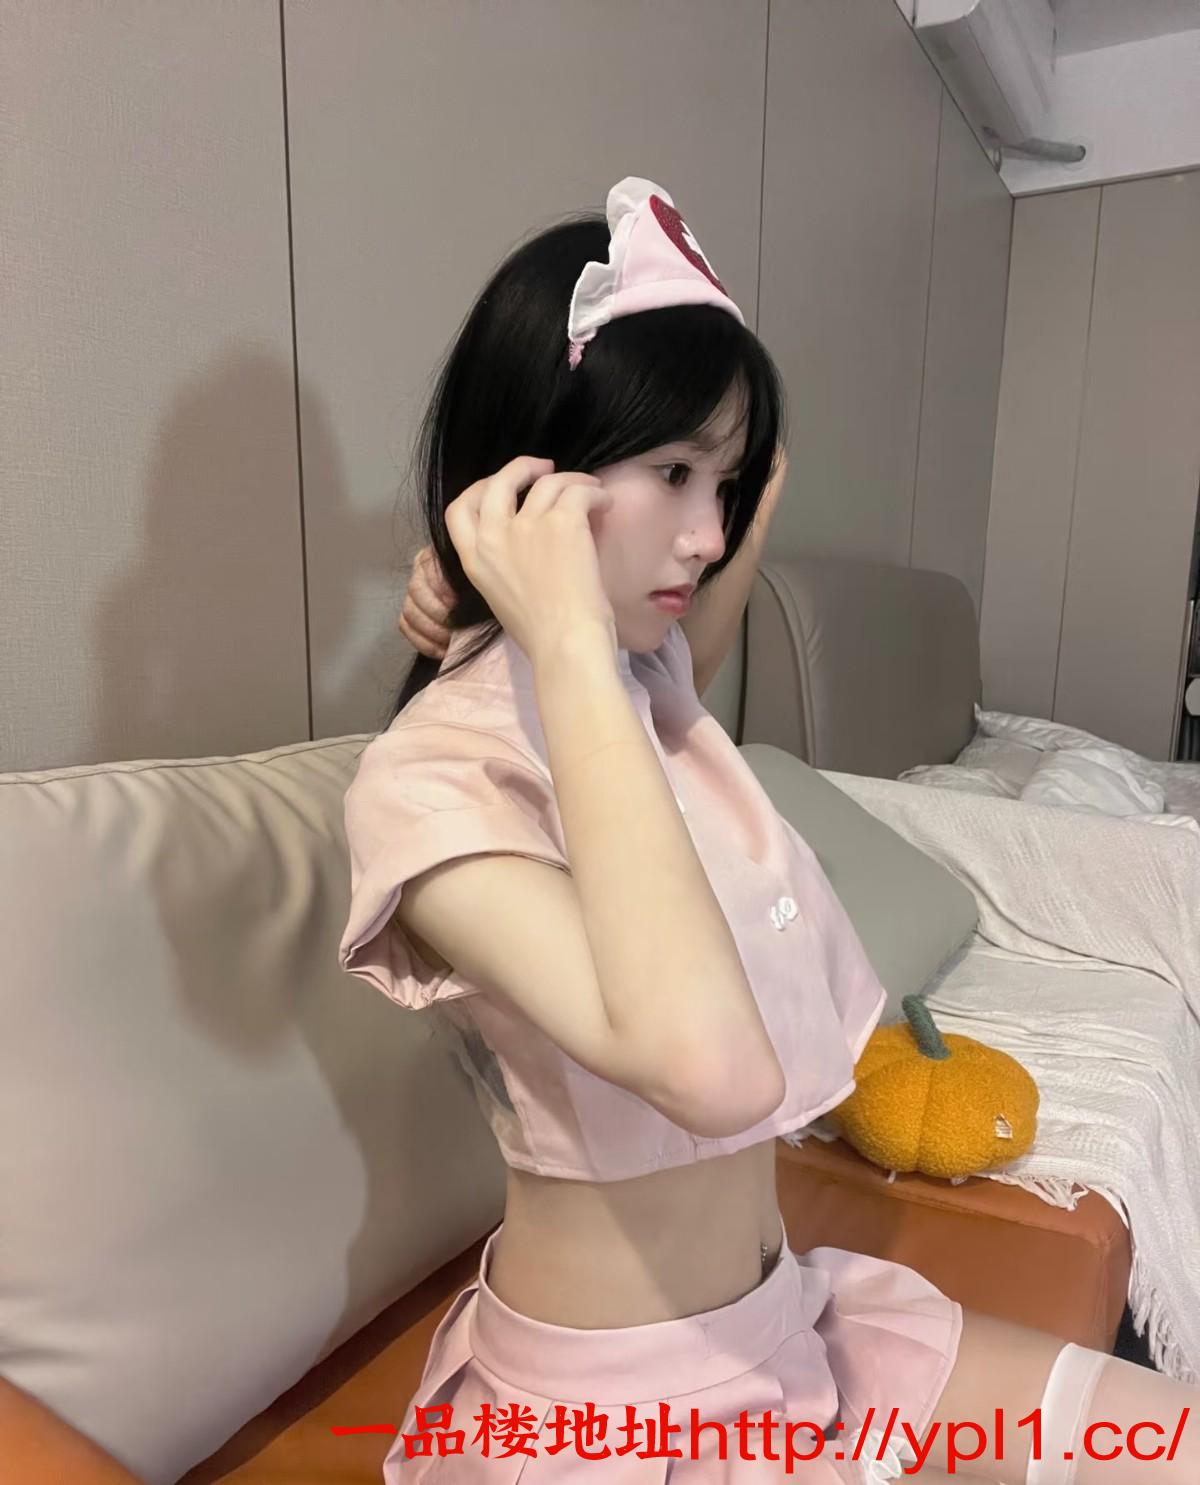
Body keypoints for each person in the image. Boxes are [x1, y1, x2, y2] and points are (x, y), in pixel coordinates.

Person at [339, 178, 1198, 1482]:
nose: (706, 534)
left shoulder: (639, 682)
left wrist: (662, 540)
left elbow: (692, 645)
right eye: (674, 473)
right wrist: (548, 626)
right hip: (612, 1421)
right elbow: (714, 1070)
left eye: (726, 483)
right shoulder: (433, 782)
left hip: (794, 1322)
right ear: (531, 472)